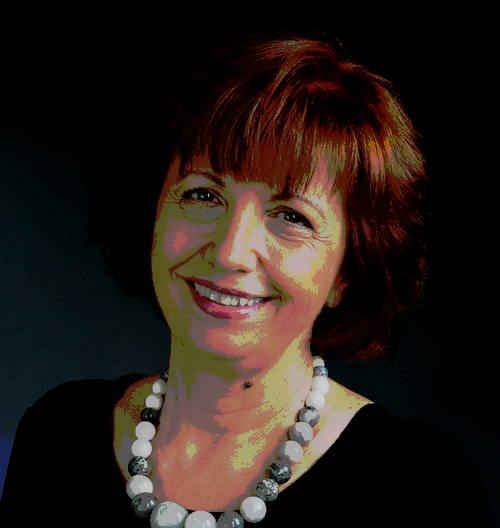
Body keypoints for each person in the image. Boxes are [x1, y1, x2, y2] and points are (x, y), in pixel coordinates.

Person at [1, 29, 496, 527]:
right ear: (153, 210)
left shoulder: (423, 488)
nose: (231, 251)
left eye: (291, 216)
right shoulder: (59, 433)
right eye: (202, 195)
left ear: (348, 271)